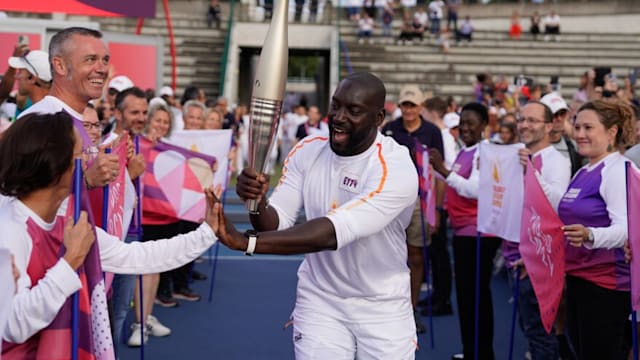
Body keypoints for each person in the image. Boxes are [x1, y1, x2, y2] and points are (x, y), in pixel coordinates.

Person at [215, 72, 419, 358]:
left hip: (382, 305)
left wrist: (245, 242)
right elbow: (276, 223)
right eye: (335, 106)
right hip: (320, 299)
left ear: (378, 118)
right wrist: (257, 200)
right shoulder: (308, 150)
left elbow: (332, 233)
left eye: (354, 111)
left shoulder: (394, 167)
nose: (338, 116)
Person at [0, 111, 220, 357]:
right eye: (81, 154)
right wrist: (70, 262)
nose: (90, 161)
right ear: (55, 164)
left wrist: (207, 232)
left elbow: (137, 256)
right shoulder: (10, 231)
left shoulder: (69, 223)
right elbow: (13, 326)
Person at [558, 99, 635, 360]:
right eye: (577, 127)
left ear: (612, 131)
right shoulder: (585, 170)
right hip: (578, 278)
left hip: (606, 286)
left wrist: (591, 235)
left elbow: (627, 229)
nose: (579, 134)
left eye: (588, 128)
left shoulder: (618, 170)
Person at [429, 102, 502, 360]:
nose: (466, 128)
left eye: (472, 123)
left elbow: (476, 190)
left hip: (479, 233)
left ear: (484, 125)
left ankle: (482, 352)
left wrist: (443, 171)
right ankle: (471, 349)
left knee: (477, 296)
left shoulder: (485, 152)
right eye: (463, 123)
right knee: (466, 296)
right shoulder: (465, 152)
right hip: (463, 232)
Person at [504, 101, 571, 359]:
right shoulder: (517, 153)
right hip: (513, 251)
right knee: (527, 324)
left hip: (539, 256)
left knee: (539, 329)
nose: (524, 125)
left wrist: (530, 171)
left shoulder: (556, 160)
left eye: (532, 120)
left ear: (549, 125)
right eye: (522, 119)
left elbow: (558, 203)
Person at [382, 85, 445, 333]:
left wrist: (437, 209)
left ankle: (411, 308)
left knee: (416, 256)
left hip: (420, 200)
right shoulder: (390, 129)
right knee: (388, 255)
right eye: (404, 105)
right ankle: (389, 307)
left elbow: (439, 172)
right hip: (393, 199)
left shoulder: (432, 132)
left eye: (412, 105)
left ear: (420, 107)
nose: (408, 109)